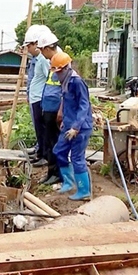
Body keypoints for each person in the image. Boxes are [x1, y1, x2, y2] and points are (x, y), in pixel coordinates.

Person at [50, 52, 94, 201]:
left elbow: (84, 105)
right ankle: (68, 182)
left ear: (66, 68)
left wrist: (76, 127)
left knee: (77, 157)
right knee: (59, 151)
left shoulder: (77, 82)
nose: (58, 74)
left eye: (59, 71)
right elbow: (67, 101)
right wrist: (64, 119)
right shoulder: (65, 81)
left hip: (81, 127)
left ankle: (84, 190)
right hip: (68, 124)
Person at [36, 32, 64, 185]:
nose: (41, 53)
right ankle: (51, 172)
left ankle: (57, 173)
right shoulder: (52, 61)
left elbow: (65, 90)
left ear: (48, 48)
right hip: (48, 108)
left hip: (55, 110)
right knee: (49, 142)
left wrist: (61, 111)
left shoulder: (61, 61)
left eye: (42, 50)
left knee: (55, 142)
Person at [23, 25, 52, 166]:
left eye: (29, 45)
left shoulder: (44, 60)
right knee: (39, 129)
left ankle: (44, 155)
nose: (28, 49)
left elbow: (50, 79)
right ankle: (40, 151)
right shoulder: (38, 59)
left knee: (43, 129)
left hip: (41, 99)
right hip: (36, 98)